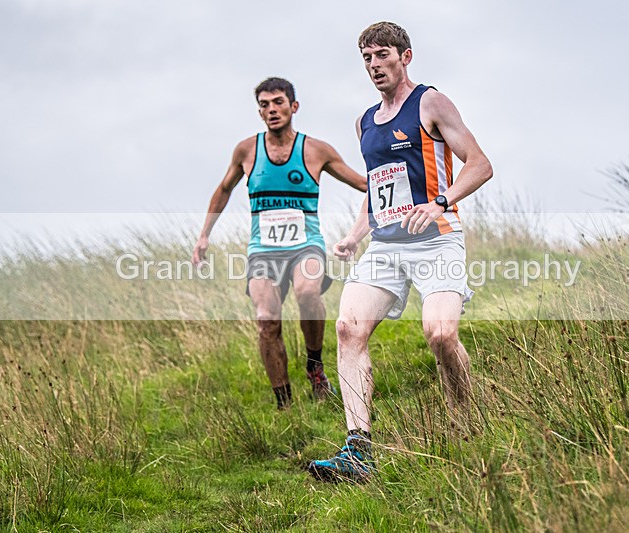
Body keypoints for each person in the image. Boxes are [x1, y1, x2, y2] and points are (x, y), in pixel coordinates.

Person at [308, 22, 493, 482]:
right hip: (386, 246)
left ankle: (466, 422)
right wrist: (356, 234)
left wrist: (440, 203)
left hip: (437, 239)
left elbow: (481, 164)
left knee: (440, 334)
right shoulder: (364, 122)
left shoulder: (430, 103)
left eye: (382, 55)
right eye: (367, 58)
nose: (374, 65)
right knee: (348, 330)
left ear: (405, 56)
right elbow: (377, 189)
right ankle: (358, 452)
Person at [192, 77, 366, 410]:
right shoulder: (246, 150)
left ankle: (315, 368)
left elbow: (362, 182)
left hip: (306, 244)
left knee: (307, 292)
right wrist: (204, 235)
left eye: (278, 102)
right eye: (264, 104)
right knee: (266, 318)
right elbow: (224, 189)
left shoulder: (316, 150)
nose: (271, 110)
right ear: (259, 111)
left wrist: (402, 184)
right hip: (263, 250)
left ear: (293, 106)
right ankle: (284, 403)